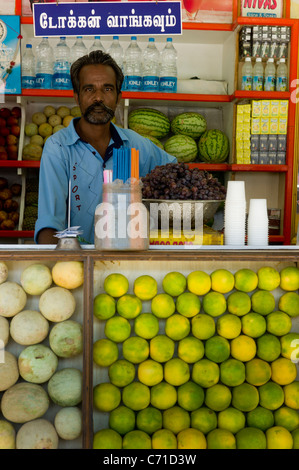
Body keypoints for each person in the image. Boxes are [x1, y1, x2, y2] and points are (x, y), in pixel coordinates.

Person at [35, 50, 177, 245]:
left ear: (118, 97)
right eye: (89, 89)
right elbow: (49, 224)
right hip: (77, 261)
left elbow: (175, 172)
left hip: (127, 261)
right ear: (77, 97)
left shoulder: (135, 145)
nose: (99, 97)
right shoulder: (58, 148)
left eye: (108, 89)